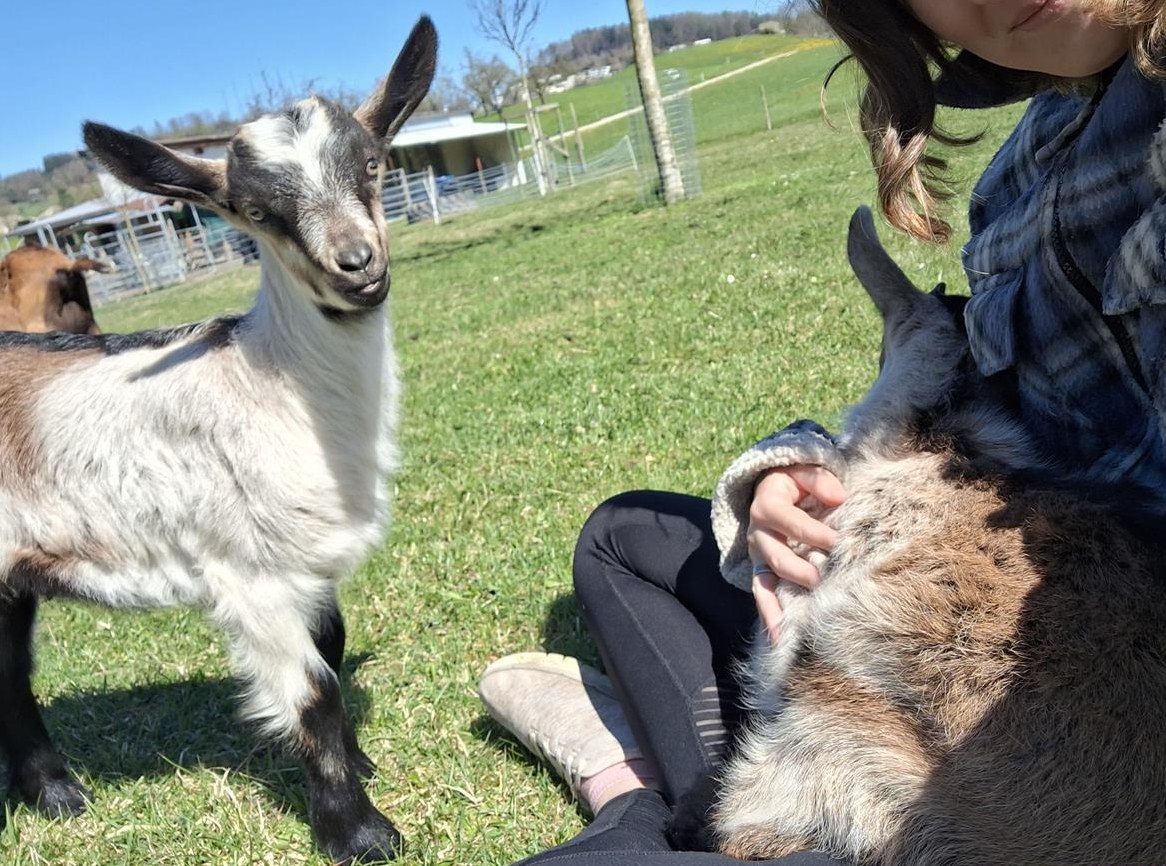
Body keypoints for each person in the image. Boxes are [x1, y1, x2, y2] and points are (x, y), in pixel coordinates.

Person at [478, 0, 1166, 862]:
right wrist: (795, 474)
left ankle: (629, 805)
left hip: (1075, 720)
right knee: (620, 539)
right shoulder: (1038, 141)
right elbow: (990, 367)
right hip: (941, 596)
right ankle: (705, 793)